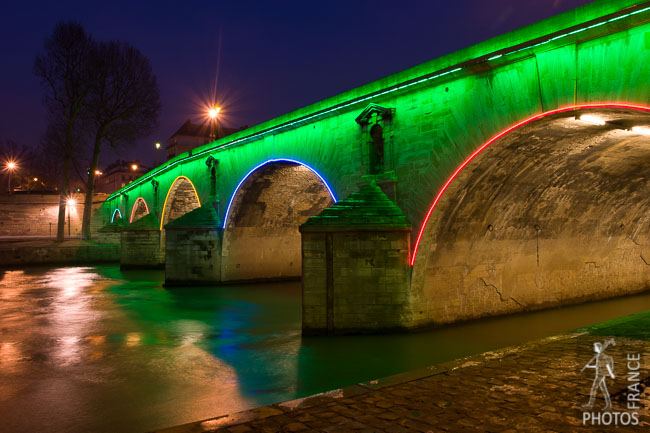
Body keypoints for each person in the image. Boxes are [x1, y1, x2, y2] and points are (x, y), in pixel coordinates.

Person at [582, 339, 615, 410]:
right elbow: (598, 366)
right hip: (600, 374)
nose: (594, 348)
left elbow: (606, 365)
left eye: (595, 347)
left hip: (600, 374)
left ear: (598, 348)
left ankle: (590, 405)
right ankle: (609, 405)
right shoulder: (599, 355)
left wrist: (611, 374)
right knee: (604, 389)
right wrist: (590, 366)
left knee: (594, 388)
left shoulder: (600, 356)